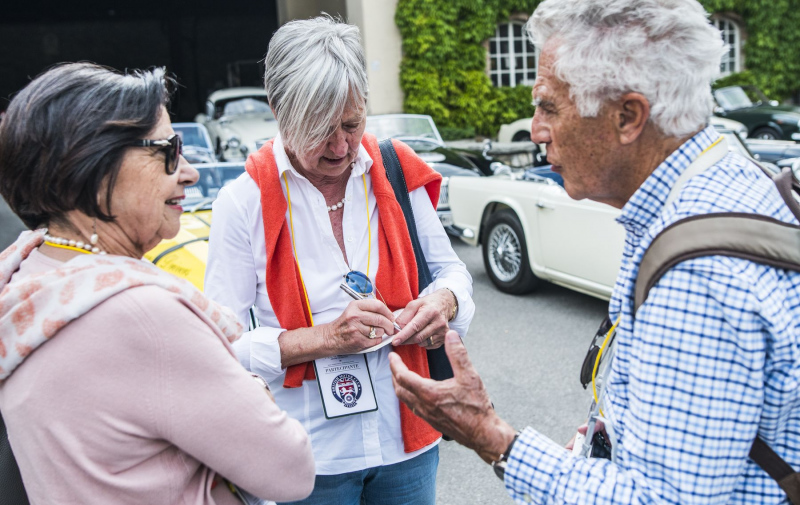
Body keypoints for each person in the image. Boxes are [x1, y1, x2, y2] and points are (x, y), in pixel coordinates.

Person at [390, 0, 800, 503]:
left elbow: (662, 500)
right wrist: (608, 446)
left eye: (548, 107)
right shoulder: (731, 180)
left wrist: (491, 437)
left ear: (628, 116)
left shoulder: (697, 274)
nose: (536, 130)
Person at [0, 62, 315, 505]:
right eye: (168, 150)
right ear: (93, 168)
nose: (189, 172)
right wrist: (254, 390)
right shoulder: (142, 315)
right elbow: (291, 471)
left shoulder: (27, 275)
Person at [204, 16, 475, 505]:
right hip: (311, 454)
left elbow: (452, 272)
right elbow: (220, 345)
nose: (341, 146)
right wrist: (327, 338)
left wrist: (445, 303)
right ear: (278, 111)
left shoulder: (394, 169)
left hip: (408, 440)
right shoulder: (242, 203)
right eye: (320, 130)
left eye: (352, 124)